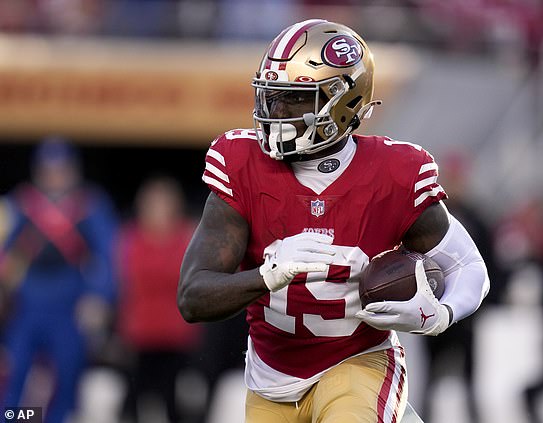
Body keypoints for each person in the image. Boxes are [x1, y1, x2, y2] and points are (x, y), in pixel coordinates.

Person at [178, 19, 490, 423]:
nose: (276, 112)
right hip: (270, 380)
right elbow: (192, 297)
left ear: (342, 103)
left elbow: (468, 266)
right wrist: (267, 276)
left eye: (294, 100)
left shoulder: (393, 173)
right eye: (271, 97)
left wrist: (441, 314)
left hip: (359, 362)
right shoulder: (241, 165)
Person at [0, 137, 117, 423]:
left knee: (65, 376)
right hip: (26, 303)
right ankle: (16, 420)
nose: (55, 176)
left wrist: (99, 297)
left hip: (69, 301)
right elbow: (5, 250)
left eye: (61, 169)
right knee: (15, 374)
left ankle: (54, 420)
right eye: (48, 170)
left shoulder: (90, 205)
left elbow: (108, 254)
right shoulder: (20, 203)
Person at [115, 177, 202, 423]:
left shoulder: (187, 236)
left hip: (176, 335)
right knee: (132, 400)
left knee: (173, 400)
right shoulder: (132, 238)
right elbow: (128, 281)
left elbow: (190, 279)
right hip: (140, 334)